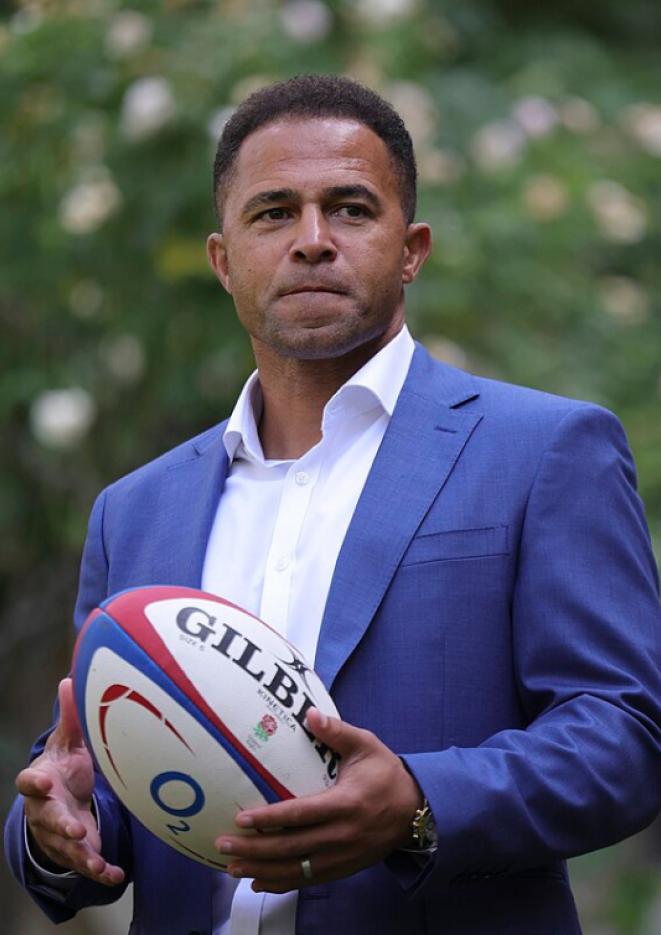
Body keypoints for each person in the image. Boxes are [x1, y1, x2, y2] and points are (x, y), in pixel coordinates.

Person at [5, 74, 661, 935]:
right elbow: (102, 771)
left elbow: (623, 736)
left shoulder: (544, 451)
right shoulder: (133, 510)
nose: (311, 241)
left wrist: (419, 800)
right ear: (222, 260)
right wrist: (58, 828)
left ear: (412, 248)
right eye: (273, 212)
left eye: (349, 209)